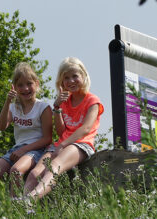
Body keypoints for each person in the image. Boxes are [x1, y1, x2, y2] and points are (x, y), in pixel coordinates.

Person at [23, 57, 104, 200]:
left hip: (81, 144)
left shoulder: (92, 101)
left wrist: (63, 145)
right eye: (66, 78)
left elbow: (85, 128)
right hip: (61, 144)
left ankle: (30, 200)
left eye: (75, 76)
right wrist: (57, 107)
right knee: (34, 174)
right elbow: (61, 132)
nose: (71, 81)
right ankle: (20, 209)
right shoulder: (65, 102)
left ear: (84, 76)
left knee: (54, 166)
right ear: (61, 82)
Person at [0, 62, 52, 199]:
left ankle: (16, 210)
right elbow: (2, 126)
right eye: (20, 85)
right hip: (16, 150)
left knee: (16, 171)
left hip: (36, 150)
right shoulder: (13, 107)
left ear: (36, 83)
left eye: (29, 83)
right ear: (14, 87)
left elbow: (47, 138)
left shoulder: (43, 107)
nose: (25, 88)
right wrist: (8, 101)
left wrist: (24, 150)